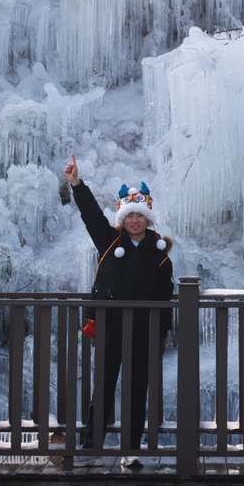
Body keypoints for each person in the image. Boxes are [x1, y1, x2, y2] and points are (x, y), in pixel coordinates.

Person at [63, 153, 174, 468]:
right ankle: (91, 448)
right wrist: (76, 184)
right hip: (111, 326)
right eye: (129, 216)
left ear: (147, 218)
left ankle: (131, 449)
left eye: (139, 215)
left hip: (143, 332)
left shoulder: (161, 255)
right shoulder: (109, 241)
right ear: (123, 219)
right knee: (103, 387)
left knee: (137, 390)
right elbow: (92, 215)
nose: (134, 221)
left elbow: (166, 300)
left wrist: (160, 336)